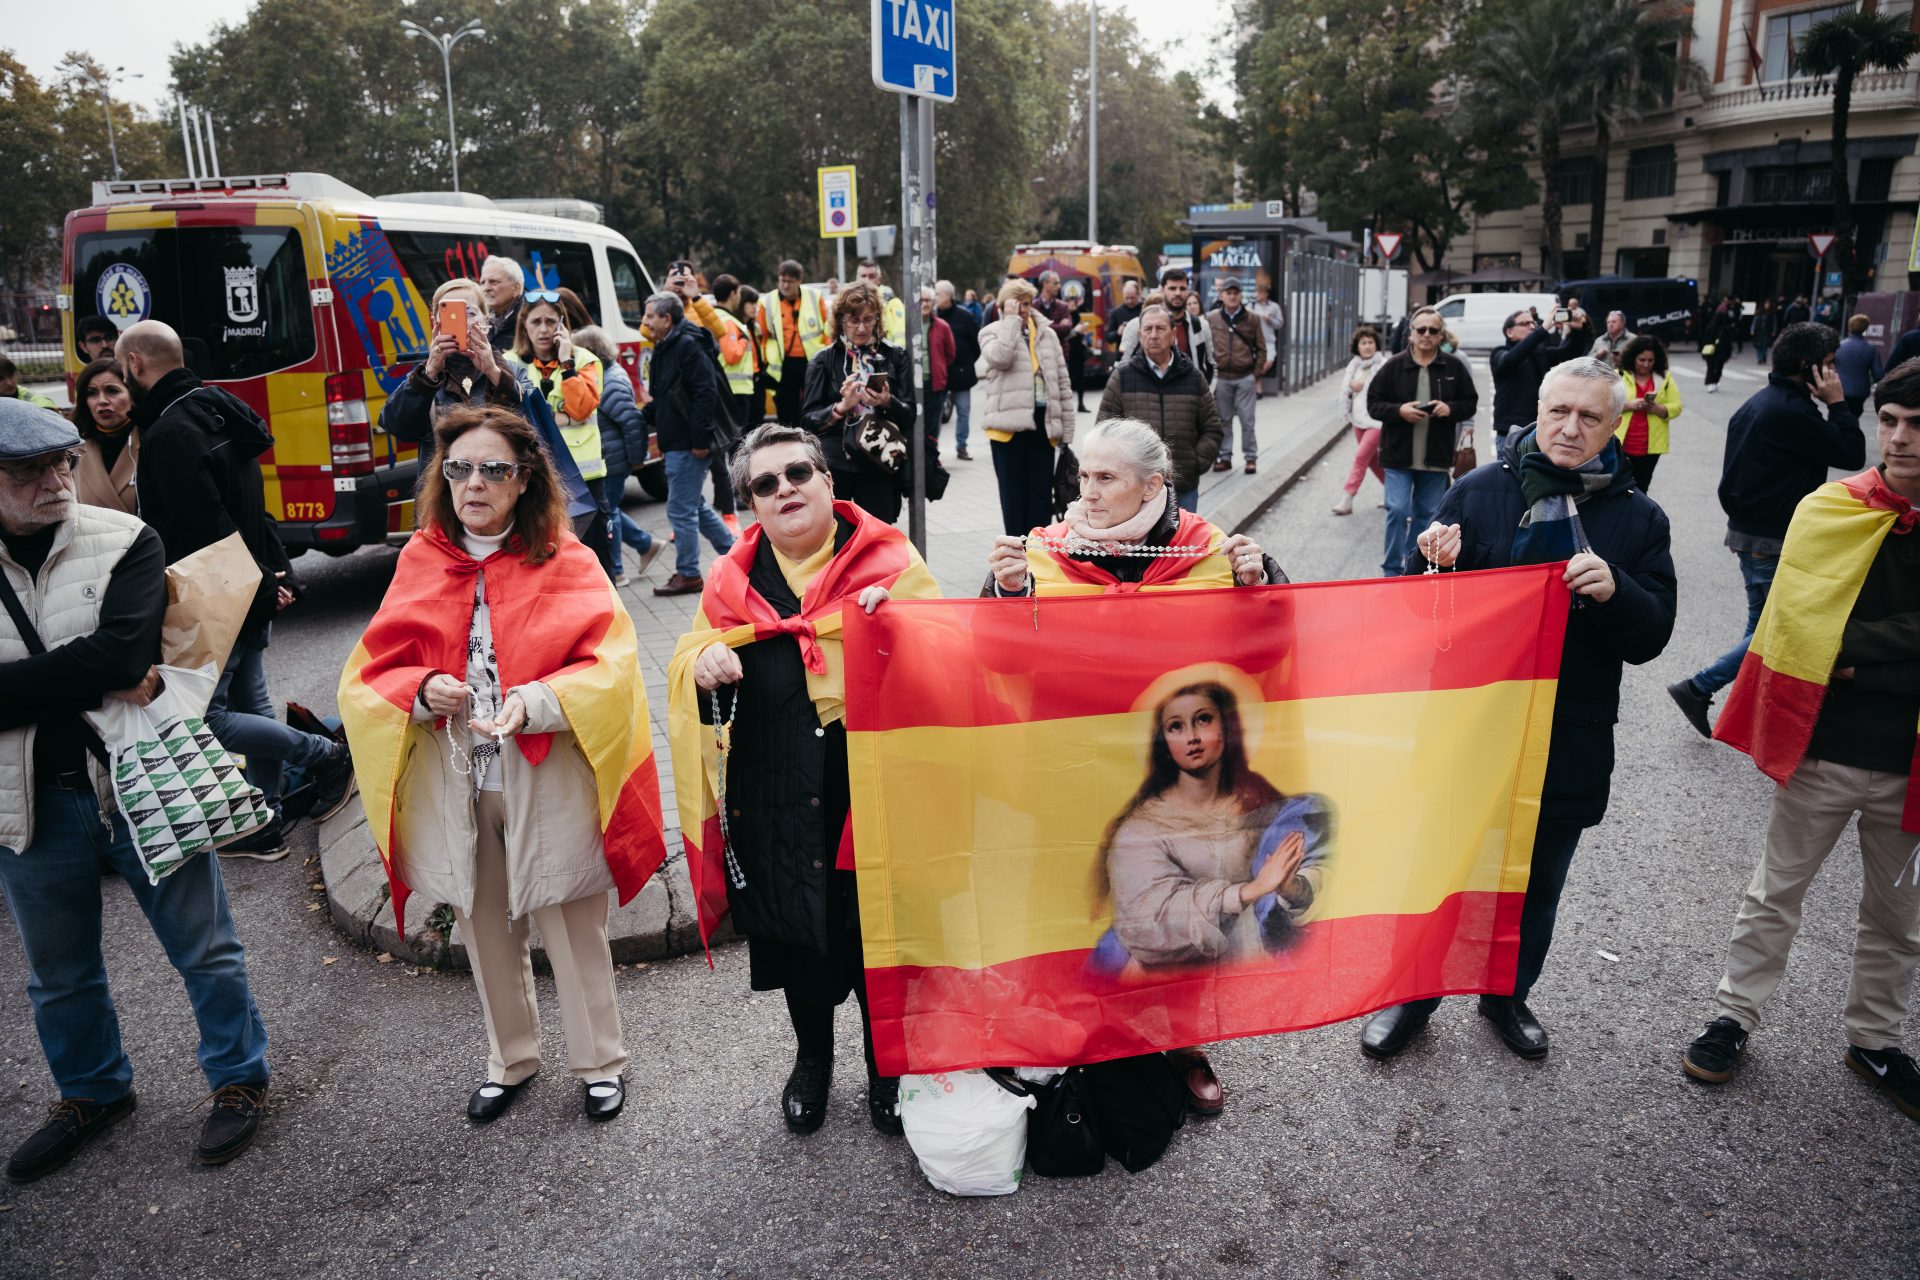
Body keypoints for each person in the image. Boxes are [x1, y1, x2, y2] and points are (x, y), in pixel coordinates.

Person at [338, 404, 658, 1126]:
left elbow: (613, 664)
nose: (473, 483)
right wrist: (421, 691)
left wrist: (539, 700)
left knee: (573, 924)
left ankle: (600, 1063)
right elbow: (368, 674)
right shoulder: (421, 558)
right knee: (484, 927)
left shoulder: (567, 558)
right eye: (458, 469)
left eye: (493, 470)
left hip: (546, 770)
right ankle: (510, 1061)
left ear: (523, 481)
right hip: (461, 777)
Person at [1361, 358, 1676, 1062]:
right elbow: (1420, 617)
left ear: (1615, 425)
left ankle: (1506, 996)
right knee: (1439, 873)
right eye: (1559, 411)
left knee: (1535, 885)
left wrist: (1618, 590)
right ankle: (1413, 997)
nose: (1570, 428)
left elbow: (1652, 636)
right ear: (1537, 408)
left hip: (1568, 733)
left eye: (1589, 417)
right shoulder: (1478, 491)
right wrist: (1430, 564)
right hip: (1470, 731)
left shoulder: (1638, 518)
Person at [0, 399, 273, 1181]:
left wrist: (48, 681)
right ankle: (91, 1092)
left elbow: (122, 659)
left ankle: (239, 1079)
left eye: (62, 462)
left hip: (139, 785)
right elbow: (103, 668)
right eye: (28, 471)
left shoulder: (127, 539)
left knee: (206, 948)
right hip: (30, 803)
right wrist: (88, 671)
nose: (56, 481)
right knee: (58, 973)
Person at [984, 417, 1285, 1113]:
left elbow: (1266, 649)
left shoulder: (1210, 551)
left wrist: (1258, 582)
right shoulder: (1040, 553)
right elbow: (995, 659)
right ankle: (1082, 1033)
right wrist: (1005, 597)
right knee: (1071, 903)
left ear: (1154, 485)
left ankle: (1182, 1044)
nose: (1086, 492)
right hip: (1068, 768)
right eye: (1082, 476)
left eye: (1105, 479)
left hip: (1172, 781)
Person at [671, 423, 941, 1135]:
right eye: (766, 483)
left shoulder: (893, 560)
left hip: (873, 780)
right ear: (749, 505)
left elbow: (949, 661)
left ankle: (888, 1064)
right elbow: (699, 668)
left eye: (797, 473)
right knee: (798, 931)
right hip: (778, 784)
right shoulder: (729, 582)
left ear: (827, 481)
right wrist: (702, 670)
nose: (784, 488)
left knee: (879, 928)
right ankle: (812, 1060)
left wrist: (906, 631)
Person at [1683, 358, 1920, 1121]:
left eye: (1917, 425)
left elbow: (1847, 644)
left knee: (1897, 919)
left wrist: (1861, 651)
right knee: (1773, 894)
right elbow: (1805, 633)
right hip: (1824, 747)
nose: (1899, 439)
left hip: (1909, 764)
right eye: (1889, 421)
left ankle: (1874, 1039)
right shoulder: (1833, 507)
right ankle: (1732, 1018)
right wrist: (1876, 649)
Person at [116, 320, 354, 858]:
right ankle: (262, 818)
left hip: (215, 593)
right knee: (250, 702)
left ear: (135, 364)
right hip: (247, 582)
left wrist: (260, 584)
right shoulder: (215, 406)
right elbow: (251, 506)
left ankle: (322, 754)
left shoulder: (170, 432)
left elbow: (207, 525)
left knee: (205, 719)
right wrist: (272, 574)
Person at [1668, 323, 1866, 737]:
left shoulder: (1761, 403)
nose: (1833, 374)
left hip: (1753, 533)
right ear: (1807, 366)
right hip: (1772, 538)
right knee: (1773, 629)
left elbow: (1735, 476)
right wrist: (1839, 404)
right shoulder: (1791, 411)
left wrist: (1740, 527)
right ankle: (1698, 687)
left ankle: (1746, 705)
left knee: (1760, 625)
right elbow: (1851, 452)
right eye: (1829, 365)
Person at [1093, 680, 1329, 973]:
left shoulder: (1263, 804)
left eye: (1203, 720)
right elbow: (1147, 922)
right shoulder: (1141, 829)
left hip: (1248, 972)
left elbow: (1313, 874)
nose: (1192, 737)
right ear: (1162, 741)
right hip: (1168, 987)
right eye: (1175, 727)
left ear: (1226, 727)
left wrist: (1291, 888)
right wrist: (1247, 892)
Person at [379, 278, 527, 485]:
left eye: (471, 313)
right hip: (443, 499)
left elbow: (537, 422)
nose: (463, 321)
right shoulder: (426, 377)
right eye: (451, 316)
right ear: (435, 324)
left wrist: (493, 372)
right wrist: (429, 373)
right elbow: (396, 426)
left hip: (501, 492)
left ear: (487, 320)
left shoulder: (512, 371)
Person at [1366, 305, 1480, 577]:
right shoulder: (1393, 366)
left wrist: (1450, 408)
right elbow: (1373, 404)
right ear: (1410, 334)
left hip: (1436, 457)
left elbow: (1470, 403)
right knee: (1396, 509)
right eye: (1421, 329)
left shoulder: (1453, 367)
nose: (1427, 334)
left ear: (1441, 335)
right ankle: (1391, 570)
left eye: (1433, 330)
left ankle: (1411, 566)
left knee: (1426, 516)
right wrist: (1399, 411)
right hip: (1398, 456)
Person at [801, 281, 921, 525]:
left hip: (879, 460)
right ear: (840, 321)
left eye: (868, 319)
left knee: (878, 539)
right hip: (836, 463)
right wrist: (841, 407)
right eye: (853, 320)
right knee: (836, 539)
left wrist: (888, 401)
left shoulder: (895, 356)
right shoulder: (824, 359)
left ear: (878, 319)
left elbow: (910, 415)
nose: (861, 328)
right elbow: (807, 420)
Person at [510, 285, 610, 576]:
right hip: (534, 476)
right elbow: (512, 416)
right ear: (523, 326)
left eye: (550, 321)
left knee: (595, 560)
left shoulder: (585, 360)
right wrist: (558, 417)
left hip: (585, 477)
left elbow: (581, 408)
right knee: (546, 560)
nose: (543, 329)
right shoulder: (510, 363)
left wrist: (567, 365)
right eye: (536, 322)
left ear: (562, 324)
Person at [639, 291, 734, 596]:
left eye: (651, 316)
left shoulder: (686, 346)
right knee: (694, 504)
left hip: (688, 442)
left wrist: (700, 440)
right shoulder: (666, 345)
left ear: (667, 319)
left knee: (680, 509)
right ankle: (736, 554)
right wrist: (642, 416)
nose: (647, 322)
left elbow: (705, 393)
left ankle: (689, 574)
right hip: (677, 439)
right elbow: (667, 394)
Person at [1095, 304, 1224, 513]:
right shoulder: (1123, 377)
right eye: (1148, 329)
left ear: (1173, 334)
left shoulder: (1192, 377)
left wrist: (1194, 463)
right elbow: (1103, 432)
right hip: (1135, 490)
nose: (1153, 335)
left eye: (1160, 328)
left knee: (1180, 545)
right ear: (1139, 334)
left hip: (1182, 488)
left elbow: (1213, 428)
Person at [977, 278, 1072, 537]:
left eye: (1027, 305)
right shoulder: (991, 332)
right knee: (1013, 497)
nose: (1023, 311)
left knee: (1041, 496)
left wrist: (1067, 430)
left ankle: (1039, 555)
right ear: (1002, 307)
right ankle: (1016, 556)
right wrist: (1010, 323)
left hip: (1043, 424)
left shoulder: (1048, 334)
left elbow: (1062, 382)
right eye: (1015, 305)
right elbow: (1000, 358)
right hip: (1008, 429)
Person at [571, 326, 661, 585]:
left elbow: (631, 422)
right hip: (608, 458)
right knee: (608, 510)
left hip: (613, 460)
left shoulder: (608, 381)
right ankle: (646, 545)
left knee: (607, 514)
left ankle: (618, 569)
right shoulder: (605, 376)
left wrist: (636, 459)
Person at [1488, 304, 1595, 441]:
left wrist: (1578, 330)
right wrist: (1543, 328)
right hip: (1511, 432)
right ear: (1509, 332)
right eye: (1525, 323)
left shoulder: (1539, 352)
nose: (1532, 327)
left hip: (1538, 429)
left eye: (1533, 323)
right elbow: (1511, 359)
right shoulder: (1500, 353)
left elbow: (1570, 353)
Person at [1207, 278, 1267, 475]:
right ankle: (1224, 457)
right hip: (1222, 376)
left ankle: (1251, 457)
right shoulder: (1212, 318)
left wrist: (1255, 374)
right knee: (1223, 420)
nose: (1232, 296)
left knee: (1247, 419)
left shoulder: (1252, 319)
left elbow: (1261, 348)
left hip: (1244, 377)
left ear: (1241, 295)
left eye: (1235, 293)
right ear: (1222, 295)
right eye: (1228, 293)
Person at [762, 260, 830, 424]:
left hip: (812, 362)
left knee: (814, 406)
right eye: (782, 280)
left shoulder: (815, 297)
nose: (785, 285)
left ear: (799, 281)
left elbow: (828, 329)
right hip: (783, 365)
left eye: (790, 281)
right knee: (786, 411)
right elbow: (763, 337)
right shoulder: (768, 302)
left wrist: (827, 357)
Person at [1613, 335, 1683, 493]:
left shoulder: (1664, 378)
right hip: (1621, 443)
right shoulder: (1619, 375)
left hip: (1651, 446)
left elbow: (1677, 406)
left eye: (1650, 361)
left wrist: (1658, 409)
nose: (1646, 364)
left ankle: (1638, 517)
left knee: (1641, 488)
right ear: (1633, 357)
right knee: (1619, 487)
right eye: (1641, 360)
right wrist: (1628, 405)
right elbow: (1605, 403)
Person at [70, 358, 139, 515]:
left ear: (132, 395)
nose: (102, 401)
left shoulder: (150, 440)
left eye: (112, 391)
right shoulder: (72, 450)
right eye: (92, 393)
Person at [1121, 269, 1213, 382]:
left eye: (1182, 288)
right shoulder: (1137, 325)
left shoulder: (1200, 325)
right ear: (1162, 290)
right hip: (1149, 394)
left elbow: (1211, 363)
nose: (1178, 293)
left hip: (1189, 394)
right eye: (1172, 288)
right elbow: (1123, 365)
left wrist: (1206, 393)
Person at [1333, 326, 1387, 516]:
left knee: (1360, 457)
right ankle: (1394, 492)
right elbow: (1345, 393)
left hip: (1377, 421)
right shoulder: (1353, 366)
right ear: (1357, 346)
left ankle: (1347, 498)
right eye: (1363, 343)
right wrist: (1351, 388)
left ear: (1376, 345)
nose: (1367, 346)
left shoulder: (1383, 365)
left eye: (1371, 342)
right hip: (1358, 419)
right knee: (1373, 461)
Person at [935, 280, 981, 461]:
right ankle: (934, 448)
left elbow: (977, 344)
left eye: (938, 294)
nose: (935, 298)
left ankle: (961, 446)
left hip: (961, 374)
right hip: (940, 374)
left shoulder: (965, 316)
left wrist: (967, 362)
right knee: (937, 412)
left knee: (963, 411)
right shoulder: (933, 316)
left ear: (947, 295)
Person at [918, 287, 954, 450]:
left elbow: (950, 353)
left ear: (932, 303)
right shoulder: (909, 324)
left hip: (935, 384)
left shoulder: (942, 326)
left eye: (928, 300)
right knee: (916, 423)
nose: (924, 304)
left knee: (933, 424)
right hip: (913, 383)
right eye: (921, 300)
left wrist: (940, 369)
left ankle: (932, 457)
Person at [1836, 314, 1887, 417]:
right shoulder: (1871, 349)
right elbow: (1878, 374)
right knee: (1854, 416)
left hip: (1838, 388)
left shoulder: (1838, 346)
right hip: (1860, 391)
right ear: (1865, 328)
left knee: (1837, 415)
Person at [854, 259, 908, 347]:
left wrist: (896, 357)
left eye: (871, 276)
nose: (867, 280)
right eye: (863, 276)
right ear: (857, 278)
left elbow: (901, 335)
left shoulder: (893, 303)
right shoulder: (850, 302)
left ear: (879, 279)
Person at [479, 255, 525, 351]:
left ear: (516, 288)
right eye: (482, 282)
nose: (486, 288)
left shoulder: (529, 320)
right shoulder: (478, 319)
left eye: (493, 282)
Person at [1249, 280, 1284, 391]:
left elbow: (1280, 324)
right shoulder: (1251, 306)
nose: (1257, 295)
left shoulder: (1274, 307)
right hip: (1254, 342)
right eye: (1256, 292)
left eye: (1259, 293)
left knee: (1268, 363)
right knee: (1255, 363)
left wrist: (1270, 320)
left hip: (1268, 341)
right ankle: (1257, 389)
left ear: (1266, 294)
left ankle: (1253, 384)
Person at [1031, 271, 1075, 355]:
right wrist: (1059, 326)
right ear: (1045, 283)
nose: (1059, 286)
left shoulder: (1063, 306)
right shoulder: (1033, 307)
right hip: (1039, 355)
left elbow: (1066, 330)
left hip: (1060, 355)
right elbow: (1032, 330)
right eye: (1056, 283)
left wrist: (1042, 327)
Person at [1702, 299, 1737, 393]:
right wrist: (1728, 354)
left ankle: (1711, 383)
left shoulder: (1711, 327)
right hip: (1720, 352)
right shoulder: (1726, 328)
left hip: (1711, 351)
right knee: (1718, 368)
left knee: (1711, 367)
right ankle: (1714, 382)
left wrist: (1703, 351)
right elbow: (1729, 342)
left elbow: (1704, 340)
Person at [1105, 278, 1143, 356]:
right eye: (1127, 298)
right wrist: (1117, 333)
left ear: (1138, 294)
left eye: (1132, 298)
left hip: (1142, 353)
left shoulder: (1145, 309)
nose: (1129, 301)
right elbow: (1108, 338)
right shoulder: (1116, 312)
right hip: (1123, 354)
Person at [1752, 299, 1778, 366]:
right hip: (1758, 331)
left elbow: (1774, 323)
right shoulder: (1759, 312)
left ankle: (1763, 357)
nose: (1767, 305)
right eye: (1766, 304)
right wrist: (1752, 329)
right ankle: (1759, 358)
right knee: (1758, 346)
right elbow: (1754, 322)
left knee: (1764, 346)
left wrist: (1774, 330)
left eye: (1768, 304)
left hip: (1767, 331)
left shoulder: (1772, 313)